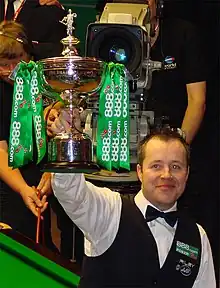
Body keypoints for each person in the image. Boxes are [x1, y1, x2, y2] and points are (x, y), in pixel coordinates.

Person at [50, 118, 216, 287]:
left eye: (175, 167)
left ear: (186, 174)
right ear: (140, 172)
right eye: (156, 166)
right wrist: (69, 140)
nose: (166, 175)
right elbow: (70, 192)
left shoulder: (198, 236)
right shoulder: (110, 211)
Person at [0, 19, 64, 249]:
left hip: (51, 172)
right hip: (13, 178)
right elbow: (0, 150)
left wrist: (57, 108)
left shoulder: (47, 76)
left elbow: (64, 110)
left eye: (13, 62)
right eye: (1, 65)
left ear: (29, 55)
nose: (7, 72)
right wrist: (23, 189)